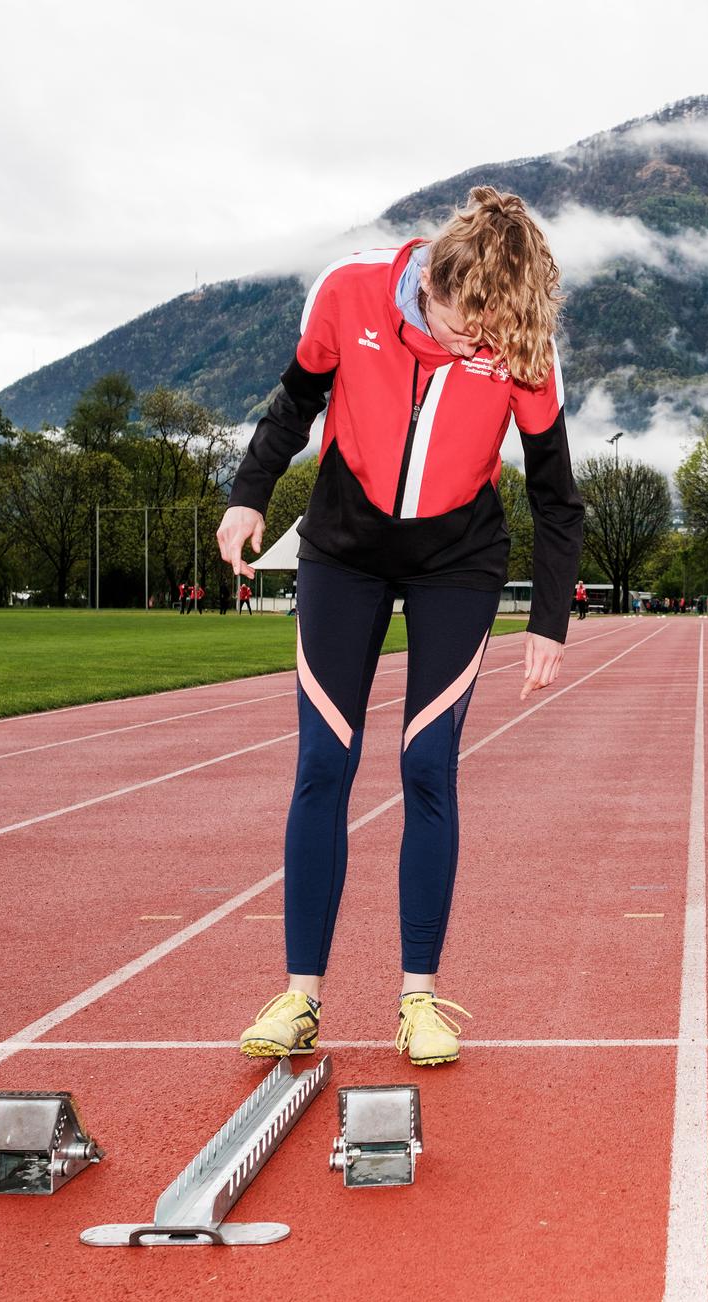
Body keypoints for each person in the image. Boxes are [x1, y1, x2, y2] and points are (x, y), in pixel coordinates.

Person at [215, 187, 584, 1068]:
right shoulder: (347, 293)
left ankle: (419, 997)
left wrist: (550, 622)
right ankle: (302, 997)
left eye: (495, 332)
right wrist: (246, 497)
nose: (479, 344)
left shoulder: (522, 345)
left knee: (426, 763)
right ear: (439, 282)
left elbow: (555, 494)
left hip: (457, 561)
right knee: (323, 761)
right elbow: (294, 403)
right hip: (343, 549)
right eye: (470, 326)